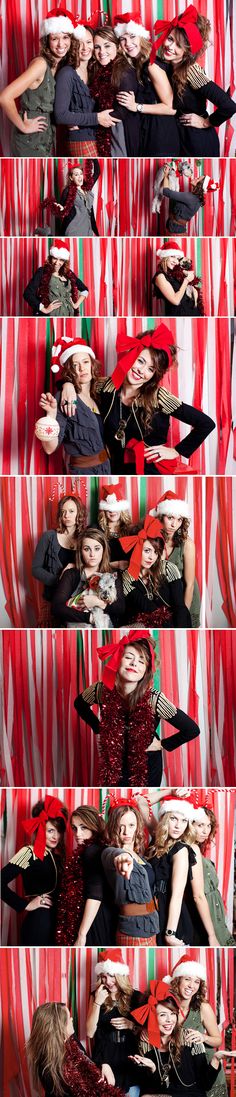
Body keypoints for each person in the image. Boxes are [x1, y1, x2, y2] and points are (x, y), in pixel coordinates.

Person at [58, 326, 215, 475]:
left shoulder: (159, 397)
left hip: (148, 471)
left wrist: (175, 451)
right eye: (140, 361)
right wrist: (67, 385)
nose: (142, 371)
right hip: (111, 468)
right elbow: (80, 380)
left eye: (151, 369)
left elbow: (206, 424)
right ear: (131, 356)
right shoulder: (105, 386)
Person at [74, 631, 200, 786]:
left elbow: (192, 729)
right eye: (128, 657)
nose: (134, 663)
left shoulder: (154, 699)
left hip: (146, 764)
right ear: (117, 660)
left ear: (146, 670)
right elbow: (79, 704)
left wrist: (162, 744)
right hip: (114, 760)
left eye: (142, 661)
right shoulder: (100, 690)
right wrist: (98, 727)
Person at [152, 5, 236, 157]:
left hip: (198, 140)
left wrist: (206, 122)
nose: (169, 46)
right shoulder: (169, 65)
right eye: (170, 39)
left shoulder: (191, 71)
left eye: (178, 45)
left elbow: (229, 106)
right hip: (180, 137)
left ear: (188, 50)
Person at [130, 979, 224, 1097]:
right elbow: (151, 1089)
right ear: (152, 1017)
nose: (170, 1020)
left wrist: (215, 1059)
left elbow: (206, 1084)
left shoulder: (190, 1038)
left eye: (173, 1013)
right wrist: (153, 1069)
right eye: (163, 1015)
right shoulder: (145, 1043)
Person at [0, 7, 73, 156]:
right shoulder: (40, 64)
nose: (61, 44)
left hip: (45, 135)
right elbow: (5, 97)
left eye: (65, 37)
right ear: (47, 41)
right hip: (29, 138)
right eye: (54, 38)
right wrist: (23, 127)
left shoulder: (60, 66)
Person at [147, 796, 218, 947]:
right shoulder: (157, 840)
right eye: (173, 818)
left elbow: (179, 895)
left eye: (184, 820)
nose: (178, 826)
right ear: (165, 818)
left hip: (170, 918)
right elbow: (140, 801)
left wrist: (170, 933)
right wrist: (171, 790)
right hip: (152, 910)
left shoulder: (182, 850)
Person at [35, 336, 111, 475]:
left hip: (106, 466)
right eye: (75, 365)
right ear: (69, 370)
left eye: (86, 362)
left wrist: (66, 383)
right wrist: (51, 416)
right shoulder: (63, 397)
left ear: (92, 364)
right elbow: (50, 449)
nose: (82, 368)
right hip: (84, 471)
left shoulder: (100, 392)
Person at [1, 796, 68, 945]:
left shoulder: (57, 857)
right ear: (39, 828)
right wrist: (25, 905)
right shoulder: (29, 852)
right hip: (39, 923)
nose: (55, 836)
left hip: (56, 923)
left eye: (59, 831)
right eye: (50, 830)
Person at [113, 12, 180, 156]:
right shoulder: (139, 64)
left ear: (141, 37)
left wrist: (136, 106)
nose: (128, 44)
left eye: (132, 37)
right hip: (149, 127)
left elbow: (172, 108)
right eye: (123, 39)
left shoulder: (151, 65)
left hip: (161, 131)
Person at [27, 1003, 124, 1097]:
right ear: (60, 1026)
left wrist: (104, 1064)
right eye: (69, 1018)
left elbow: (87, 1061)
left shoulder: (71, 1040)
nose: (72, 1019)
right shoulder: (49, 1067)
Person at [165, 954, 229, 1097]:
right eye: (187, 979)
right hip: (183, 1073)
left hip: (208, 1067)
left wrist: (203, 1037)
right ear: (177, 980)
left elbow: (218, 1040)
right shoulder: (166, 1007)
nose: (191, 986)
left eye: (196, 981)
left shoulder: (203, 1007)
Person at [54, 20, 119, 156]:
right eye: (79, 43)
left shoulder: (94, 71)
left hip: (98, 137)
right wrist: (96, 118)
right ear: (72, 45)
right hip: (80, 139)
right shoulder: (67, 73)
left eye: (89, 42)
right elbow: (60, 115)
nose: (85, 48)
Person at [101, 798, 159, 946]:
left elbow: (142, 801)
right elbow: (114, 855)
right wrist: (121, 857)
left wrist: (172, 791)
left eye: (131, 825)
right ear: (113, 827)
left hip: (152, 925)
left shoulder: (140, 856)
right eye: (120, 826)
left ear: (137, 827)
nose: (126, 832)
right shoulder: (109, 852)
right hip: (132, 931)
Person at [56, 806, 115, 947]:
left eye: (83, 828)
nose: (78, 834)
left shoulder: (91, 852)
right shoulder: (98, 849)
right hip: (101, 917)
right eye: (75, 828)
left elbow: (95, 895)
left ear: (94, 827)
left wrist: (81, 935)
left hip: (94, 919)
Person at [120, 515, 193, 627]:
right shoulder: (127, 577)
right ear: (136, 548)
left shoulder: (168, 569)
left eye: (156, 552)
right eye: (147, 551)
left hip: (177, 624)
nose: (152, 557)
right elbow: (148, 608)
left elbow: (180, 608)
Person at [87, 947, 142, 1094]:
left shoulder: (136, 997)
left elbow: (148, 1034)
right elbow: (90, 1032)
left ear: (120, 975)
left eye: (112, 976)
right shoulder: (96, 995)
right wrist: (97, 1003)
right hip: (105, 1058)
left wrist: (131, 1026)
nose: (108, 981)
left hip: (130, 1058)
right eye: (103, 977)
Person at [51, 527, 125, 628]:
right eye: (86, 549)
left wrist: (97, 602)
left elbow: (120, 608)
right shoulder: (71, 574)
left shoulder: (112, 575)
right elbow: (56, 607)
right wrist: (89, 618)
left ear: (103, 550)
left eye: (97, 548)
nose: (92, 554)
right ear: (80, 551)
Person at [32, 493, 86, 624]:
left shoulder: (85, 538)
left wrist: (75, 565)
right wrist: (59, 581)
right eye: (63, 512)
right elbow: (35, 569)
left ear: (79, 513)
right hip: (51, 599)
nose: (66, 515)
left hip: (77, 600)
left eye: (71, 511)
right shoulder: (49, 537)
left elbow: (94, 564)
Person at [150, 489, 201, 627]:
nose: (174, 524)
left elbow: (190, 584)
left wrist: (182, 614)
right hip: (164, 598)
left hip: (185, 597)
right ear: (160, 517)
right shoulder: (151, 541)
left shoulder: (187, 544)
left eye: (179, 519)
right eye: (170, 518)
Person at [192, 803, 235, 945]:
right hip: (207, 916)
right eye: (200, 825)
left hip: (217, 915)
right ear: (191, 824)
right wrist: (211, 935)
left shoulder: (198, 850)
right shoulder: (192, 849)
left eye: (208, 825)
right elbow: (198, 896)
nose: (205, 831)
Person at [23, 239, 88, 316]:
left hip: (69, 316)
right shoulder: (42, 272)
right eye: (55, 258)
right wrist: (44, 309)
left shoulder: (69, 274)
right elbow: (27, 293)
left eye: (61, 260)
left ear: (65, 261)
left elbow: (85, 290)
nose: (57, 263)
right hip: (52, 316)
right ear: (50, 258)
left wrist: (76, 305)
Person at [162, 165, 220, 234]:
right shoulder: (197, 198)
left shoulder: (190, 197)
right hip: (176, 228)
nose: (195, 177)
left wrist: (165, 175)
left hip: (175, 230)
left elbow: (166, 191)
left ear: (199, 186)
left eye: (198, 179)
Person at [153, 239, 203, 316]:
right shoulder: (160, 276)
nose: (175, 261)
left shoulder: (175, 274)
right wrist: (186, 280)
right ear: (164, 257)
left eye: (177, 258)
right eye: (172, 256)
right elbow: (176, 301)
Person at [98, 483, 132, 567]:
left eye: (115, 508)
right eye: (109, 509)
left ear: (121, 509)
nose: (112, 511)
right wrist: (116, 564)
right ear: (104, 511)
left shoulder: (130, 530)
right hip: (105, 572)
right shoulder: (97, 530)